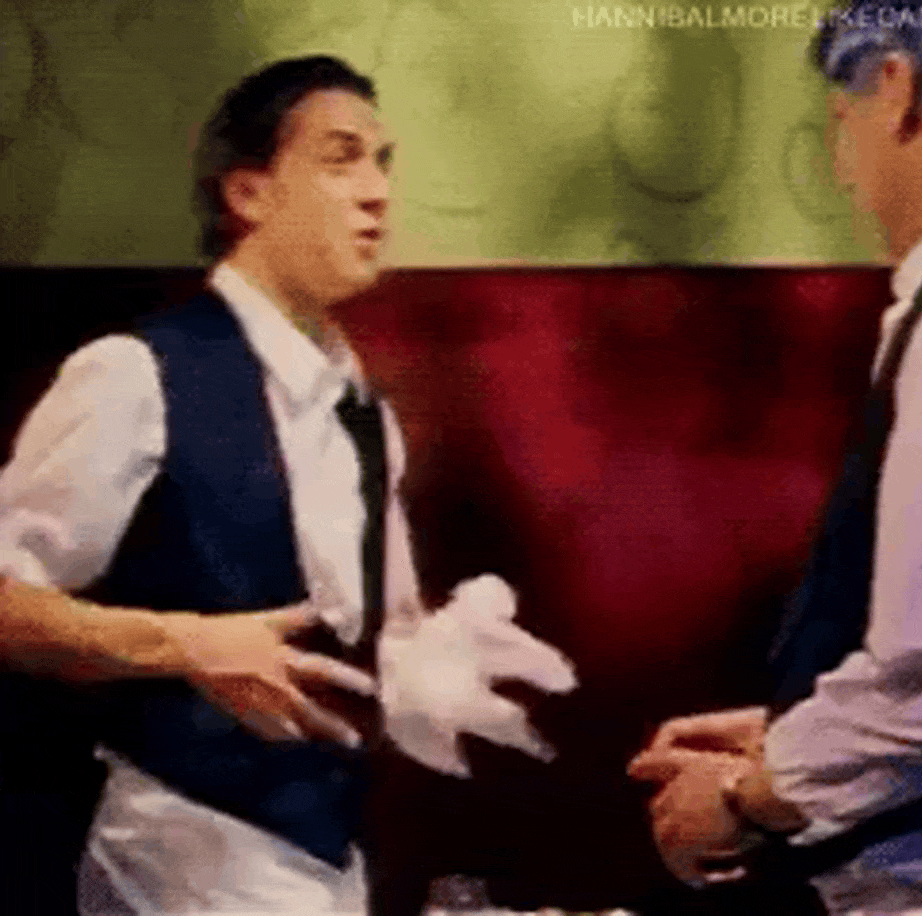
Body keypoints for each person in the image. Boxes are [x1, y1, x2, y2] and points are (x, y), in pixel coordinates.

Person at [0, 55, 573, 916]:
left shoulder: (363, 411)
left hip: (332, 860)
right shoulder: (133, 374)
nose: (377, 193)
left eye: (383, 163)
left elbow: (376, 633)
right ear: (250, 193)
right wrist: (181, 643)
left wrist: (431, 667)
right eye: (341, 160)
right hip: (173, 850)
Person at [630, 5, 922, 914]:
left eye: (839, 123)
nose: (843, 168)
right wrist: (799, 727)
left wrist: (748, 795)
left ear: (896, 88)